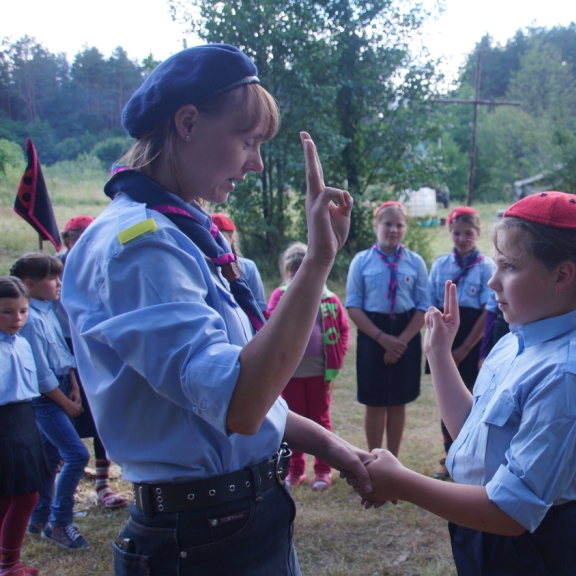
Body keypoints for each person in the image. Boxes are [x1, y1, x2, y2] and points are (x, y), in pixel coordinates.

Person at [60, 43, 372, 574]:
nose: (256, 162)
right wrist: (319, 260)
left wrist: (332, 447)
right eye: (246, 141)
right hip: (203, 538)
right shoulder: (142, 248)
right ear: (187, 123)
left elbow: (234, 398)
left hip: (236, 518)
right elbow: (239, 403)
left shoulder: (186, 235)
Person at [351, 191, 576, 575]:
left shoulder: (569, 377)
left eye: (509, 266)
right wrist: (439, 355)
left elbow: (511, 511)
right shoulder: (518, 339)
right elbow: (474, 435)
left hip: (539, 550)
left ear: (561, 275)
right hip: (491, 529)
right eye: (496, 264)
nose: (493, 281)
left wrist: (403, 483)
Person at [10, 254, 91, 550]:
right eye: (52, 278)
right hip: (46, 397)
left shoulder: (47, 309)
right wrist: (65, 403)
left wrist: (73, 383)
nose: (59, 283)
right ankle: (59, 523)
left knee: (50, 456)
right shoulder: (29, 320)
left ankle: (39, 515)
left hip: (61, 385)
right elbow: (41, 373)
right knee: (76, 455)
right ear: (30, 284)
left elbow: (61, 352)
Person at [55, 215, 131, 510]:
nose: (82, 242)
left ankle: (103, 483)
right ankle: (63, 472)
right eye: (76, 236)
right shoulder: (53, 268)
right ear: (67, 240)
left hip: (95, 343)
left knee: (101, 410)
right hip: (62, 346)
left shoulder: (102, 262)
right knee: (64, 412)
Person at [345, 201, 430, 457]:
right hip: (373, 334)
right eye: (387, 224)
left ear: (405, 228)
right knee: (375, 402)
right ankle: (374, 459)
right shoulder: (361, 261)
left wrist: (400, 342)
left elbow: (423, 306)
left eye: (399, 225)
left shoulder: (415, 262)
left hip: (406, 333)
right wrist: (383, 339)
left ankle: (392, 460)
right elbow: (353, 306)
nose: (393, 230)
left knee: (398, 401)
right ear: (376, 225)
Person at [266, 242, 350, 491]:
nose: (299, 275)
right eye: (294, 271)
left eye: (303, 269)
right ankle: (295, 470)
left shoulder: (329, 298)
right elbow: (269, 322)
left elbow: (344, 329)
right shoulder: (280, 296)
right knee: (292, 420)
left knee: (320, 418)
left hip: (319, 372)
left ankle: (323, 470)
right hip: (289, 373)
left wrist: (337, 355)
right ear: (287, 272)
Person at [428, 206, 496, 480]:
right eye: (457, 233)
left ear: (478, 233)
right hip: (446, 333)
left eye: (469, 232)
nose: (462, 238)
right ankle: (450, 455)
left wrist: (465, 348)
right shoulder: (440, 265)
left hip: (473, 339)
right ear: (450, 233)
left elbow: (488, 312)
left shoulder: (486, 267)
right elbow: (433, 303)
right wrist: (440, 346)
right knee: (446, 399)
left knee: (471, 400)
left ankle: (471, 457)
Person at [0, 276, 52, 576]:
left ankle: (7, 562)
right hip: (4, 425)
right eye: (7, 312)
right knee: (24, 497)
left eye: (23, 311)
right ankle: (9, 565)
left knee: (11, 496)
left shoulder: (21, 343)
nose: (17, 318)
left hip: (24, 420)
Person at [211, 213, 268, 314]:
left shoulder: (248, 267)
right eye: (211, 238)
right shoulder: (203, 267)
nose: (215, 242)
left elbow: (260, 307)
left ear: (231, 237)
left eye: (220, 238)